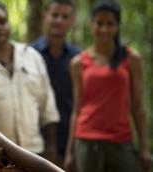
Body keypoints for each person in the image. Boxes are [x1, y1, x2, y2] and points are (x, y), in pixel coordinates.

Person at [0, 3, 60, 171]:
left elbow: (48, 108)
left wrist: (52, 149)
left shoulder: (32, 56)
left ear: (9, 24)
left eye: (2, 22)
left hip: (34, 154)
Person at [64, 1, 152, 172]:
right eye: (99, 23)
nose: (104, 29)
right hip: (87, 140)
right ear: (92, 25)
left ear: (117, 27)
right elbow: (77, 109)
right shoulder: (79, 63)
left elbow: (138, 106)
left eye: (110, 24)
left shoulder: (131, 59)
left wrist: (143, 147)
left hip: (121, 139)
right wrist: (70, 152)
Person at [31, 0, 81, 166]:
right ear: (44, 15)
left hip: (70, 141)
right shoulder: (29, 55)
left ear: (71, 21)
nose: (59, 20)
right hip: (34, 141)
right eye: (54, 15)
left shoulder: (78, 58)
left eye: (64, 16)